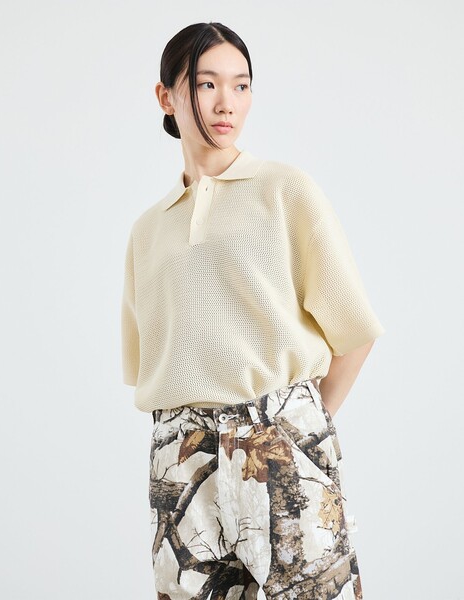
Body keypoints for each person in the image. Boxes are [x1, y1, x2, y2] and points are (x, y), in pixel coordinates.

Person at [121, 21, 385, 600]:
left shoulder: (284, 190)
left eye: (241, 85)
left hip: (279, 437)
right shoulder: (147, 231)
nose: (227, 103)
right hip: (181, 456)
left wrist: (294, 429)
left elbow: (355, 332)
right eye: (207, 83)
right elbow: (150, 367)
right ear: (166, 96)